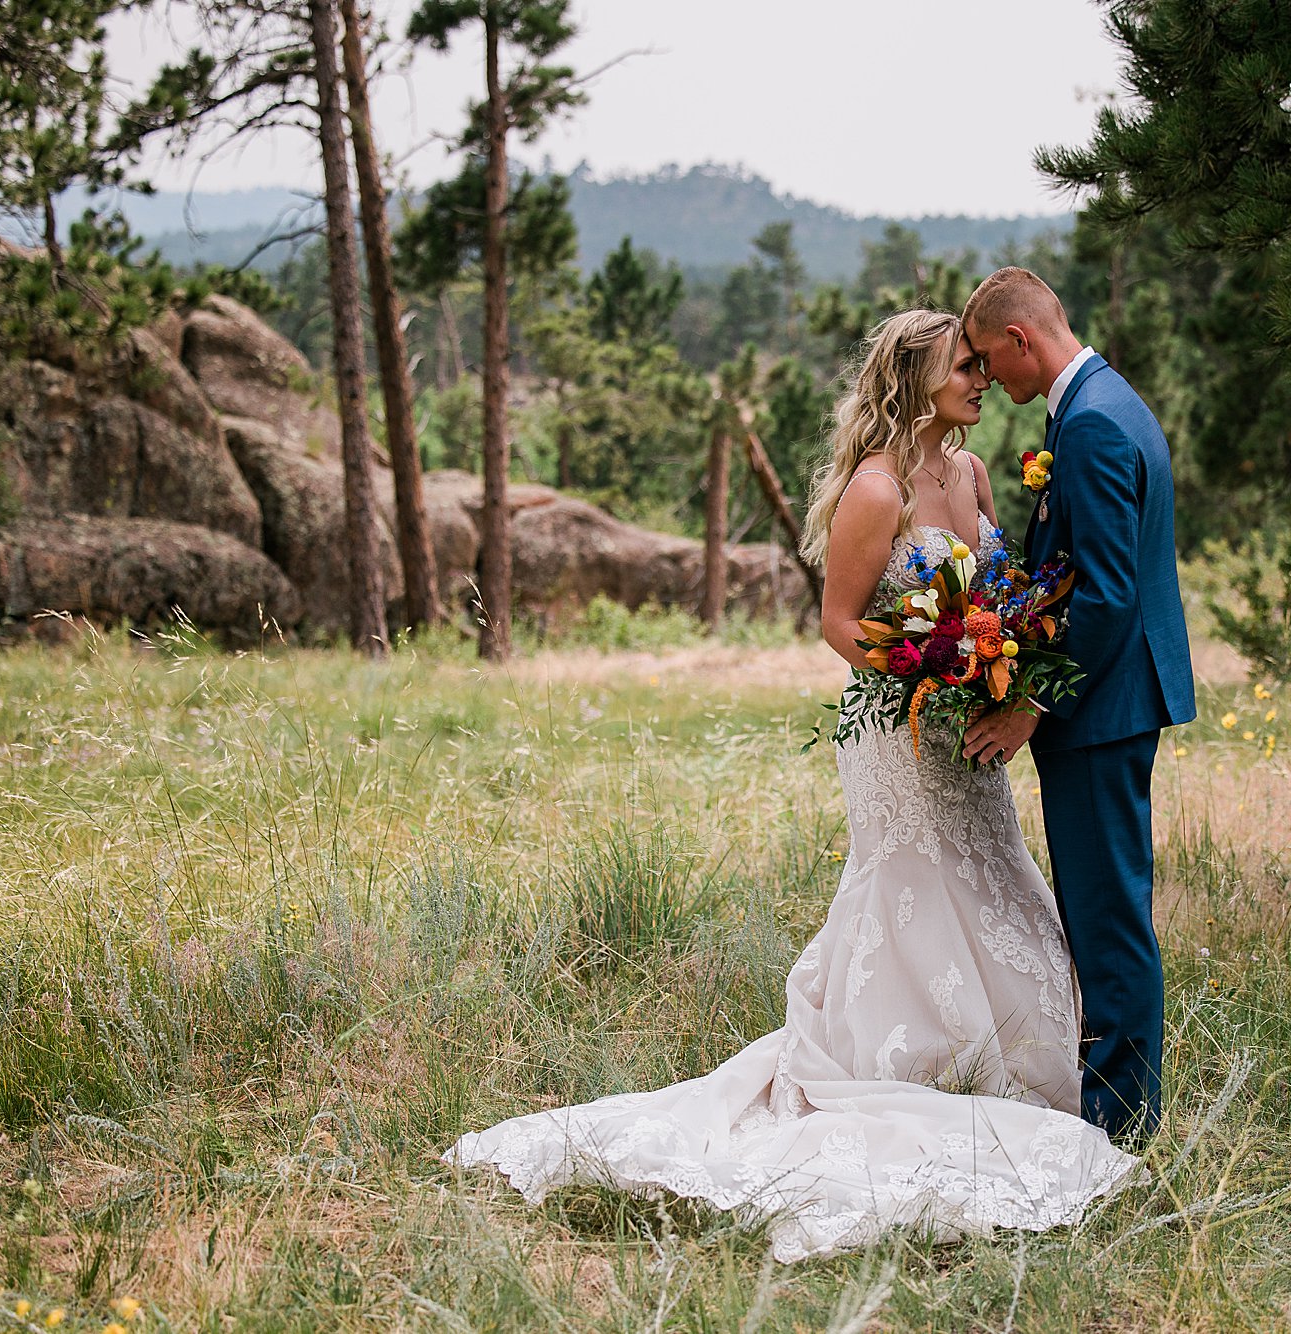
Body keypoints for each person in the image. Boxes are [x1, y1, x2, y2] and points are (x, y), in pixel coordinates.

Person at [445, 309, 1138, 1263]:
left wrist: (991, 665)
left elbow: (998, 594)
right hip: (898, 739)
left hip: (965, 737)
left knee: (996, 880)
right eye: (965, 366)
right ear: (916, 376)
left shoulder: (973, 473)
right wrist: (921, 678)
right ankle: (913, 1060)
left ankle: (1018, 1065)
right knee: (912, 891)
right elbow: (839, 621)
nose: (982, 379)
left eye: (985, 362)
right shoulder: (876, 487)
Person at [960, 267, 1196, 1146]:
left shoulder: (1091, 423)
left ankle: (1121, 1124)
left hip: (1102, 710)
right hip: (1114, 702)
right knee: (1104, 905)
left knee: (1106, 914)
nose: (990, 381)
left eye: (990, 359)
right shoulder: (1101, 401)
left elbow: (1103, 599)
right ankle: (1117, 1103)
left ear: (1021, 338)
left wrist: (1029, 708)